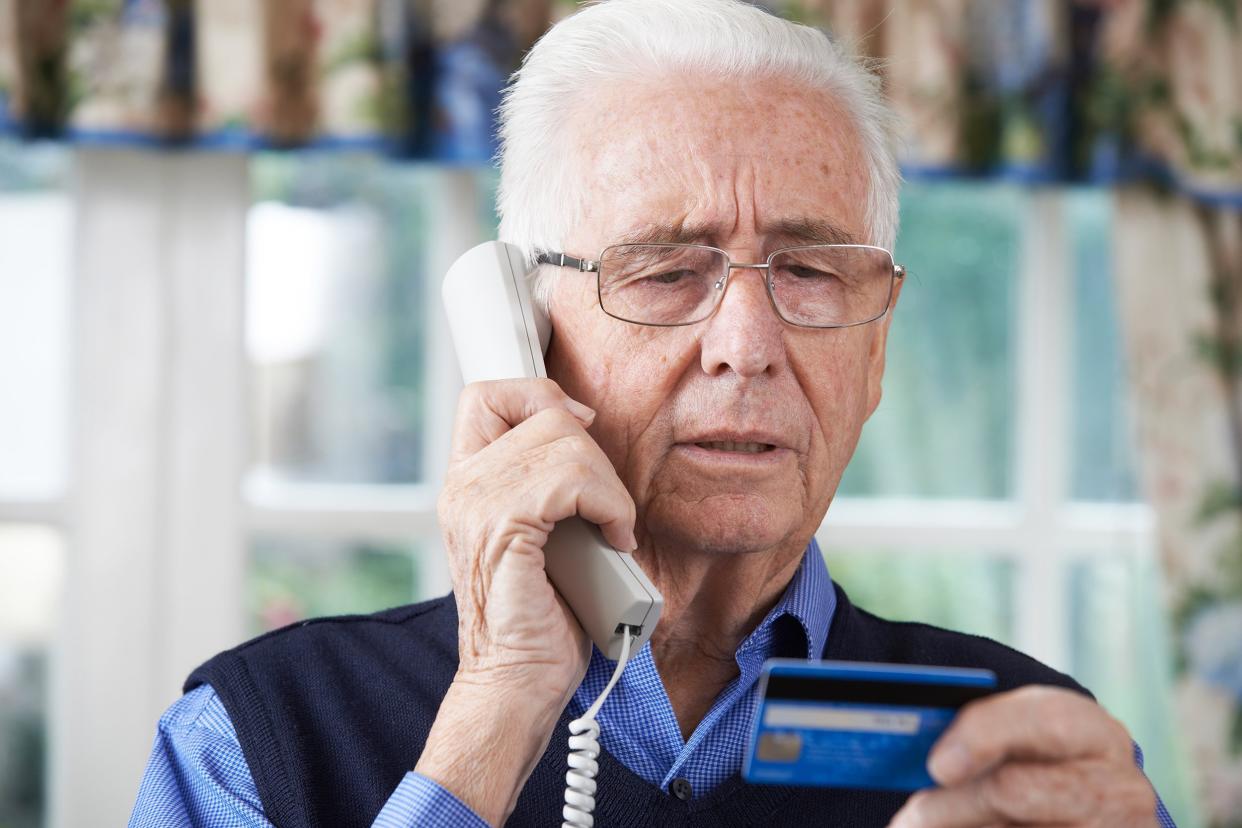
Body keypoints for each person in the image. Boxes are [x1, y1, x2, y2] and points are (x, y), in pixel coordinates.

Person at [130, 1, 1175, 826]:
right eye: (668, 270)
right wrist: (493, 718)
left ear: (877, 351)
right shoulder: (257, 738)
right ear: (526, 336)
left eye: (811, 271)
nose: (748, 344)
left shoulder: (1026, 756)